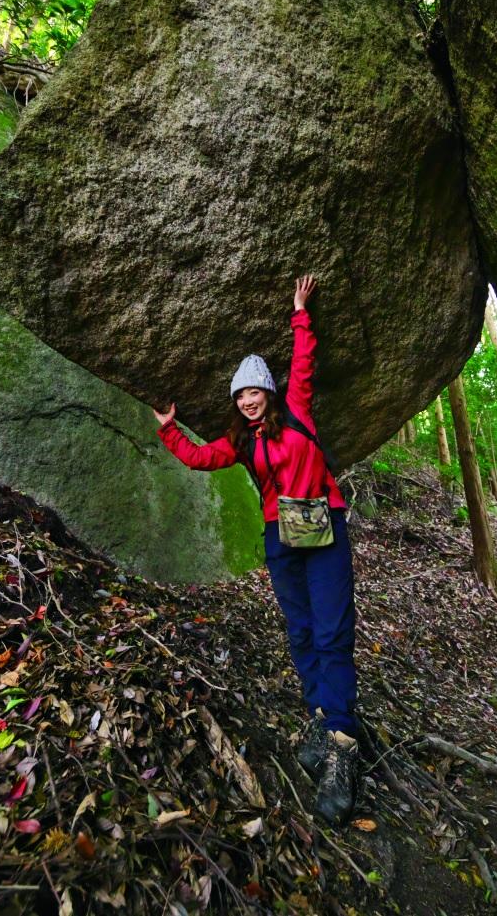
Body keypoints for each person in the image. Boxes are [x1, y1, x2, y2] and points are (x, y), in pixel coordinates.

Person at [151, 274, 362, 824]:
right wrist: (170, 432)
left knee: (334, 629)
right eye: (240, 394)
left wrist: (299, 312)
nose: (247, 400)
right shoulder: (242, 441)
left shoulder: (295, 411)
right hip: (280, 537)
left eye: (254, 391)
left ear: (268, 391)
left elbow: (305, 360)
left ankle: (342, 743)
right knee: (301, 629)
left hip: (323, 524)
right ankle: (321, 712)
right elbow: (199, 459)